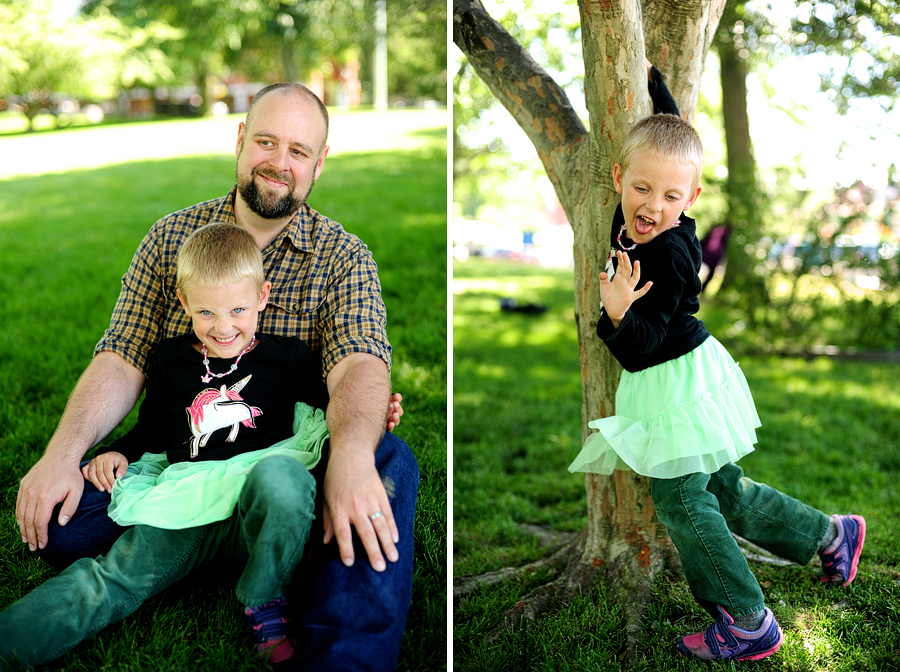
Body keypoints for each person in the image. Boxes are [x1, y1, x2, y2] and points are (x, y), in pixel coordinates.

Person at [14, 83, 418, 671]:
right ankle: (253, 542)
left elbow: (359, 360)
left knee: (388, 463)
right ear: (240, 141)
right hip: (185, 462)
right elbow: (123, 354)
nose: (280, 162)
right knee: (55, 525)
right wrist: (63, 452)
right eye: (266, 141)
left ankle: (341, 654)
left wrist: (353, 452)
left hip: (285, 461)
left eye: (299, 151)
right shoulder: (171, 238)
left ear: (319, 162)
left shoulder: (343, 255)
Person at [568, 67, 866, 662]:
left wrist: (619, 313)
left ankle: (748, 618)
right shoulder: (632, 214)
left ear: (691, 200)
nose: (653, 207)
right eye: (642, 189)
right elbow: (672, 140)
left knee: (682, 498)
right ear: (619, 178)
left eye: (671, 197)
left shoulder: (675, 253)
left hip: (676, 378)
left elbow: (646, 344)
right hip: (675, 379)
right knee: (723, 487)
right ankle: (829, 533)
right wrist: (660, 93)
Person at [1, 222, 335, 666]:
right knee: (110, 578)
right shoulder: (170, 361)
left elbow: (330, 410)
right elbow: (153, 432)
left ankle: (264, 597)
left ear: (261, 297)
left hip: (256, 494)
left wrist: (379, 414)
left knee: (286, 480)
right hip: (185, 501)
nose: (223, 328)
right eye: (206, 313)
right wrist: (118, 451)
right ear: (183, 303)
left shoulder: (289, 358)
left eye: (238, 309)